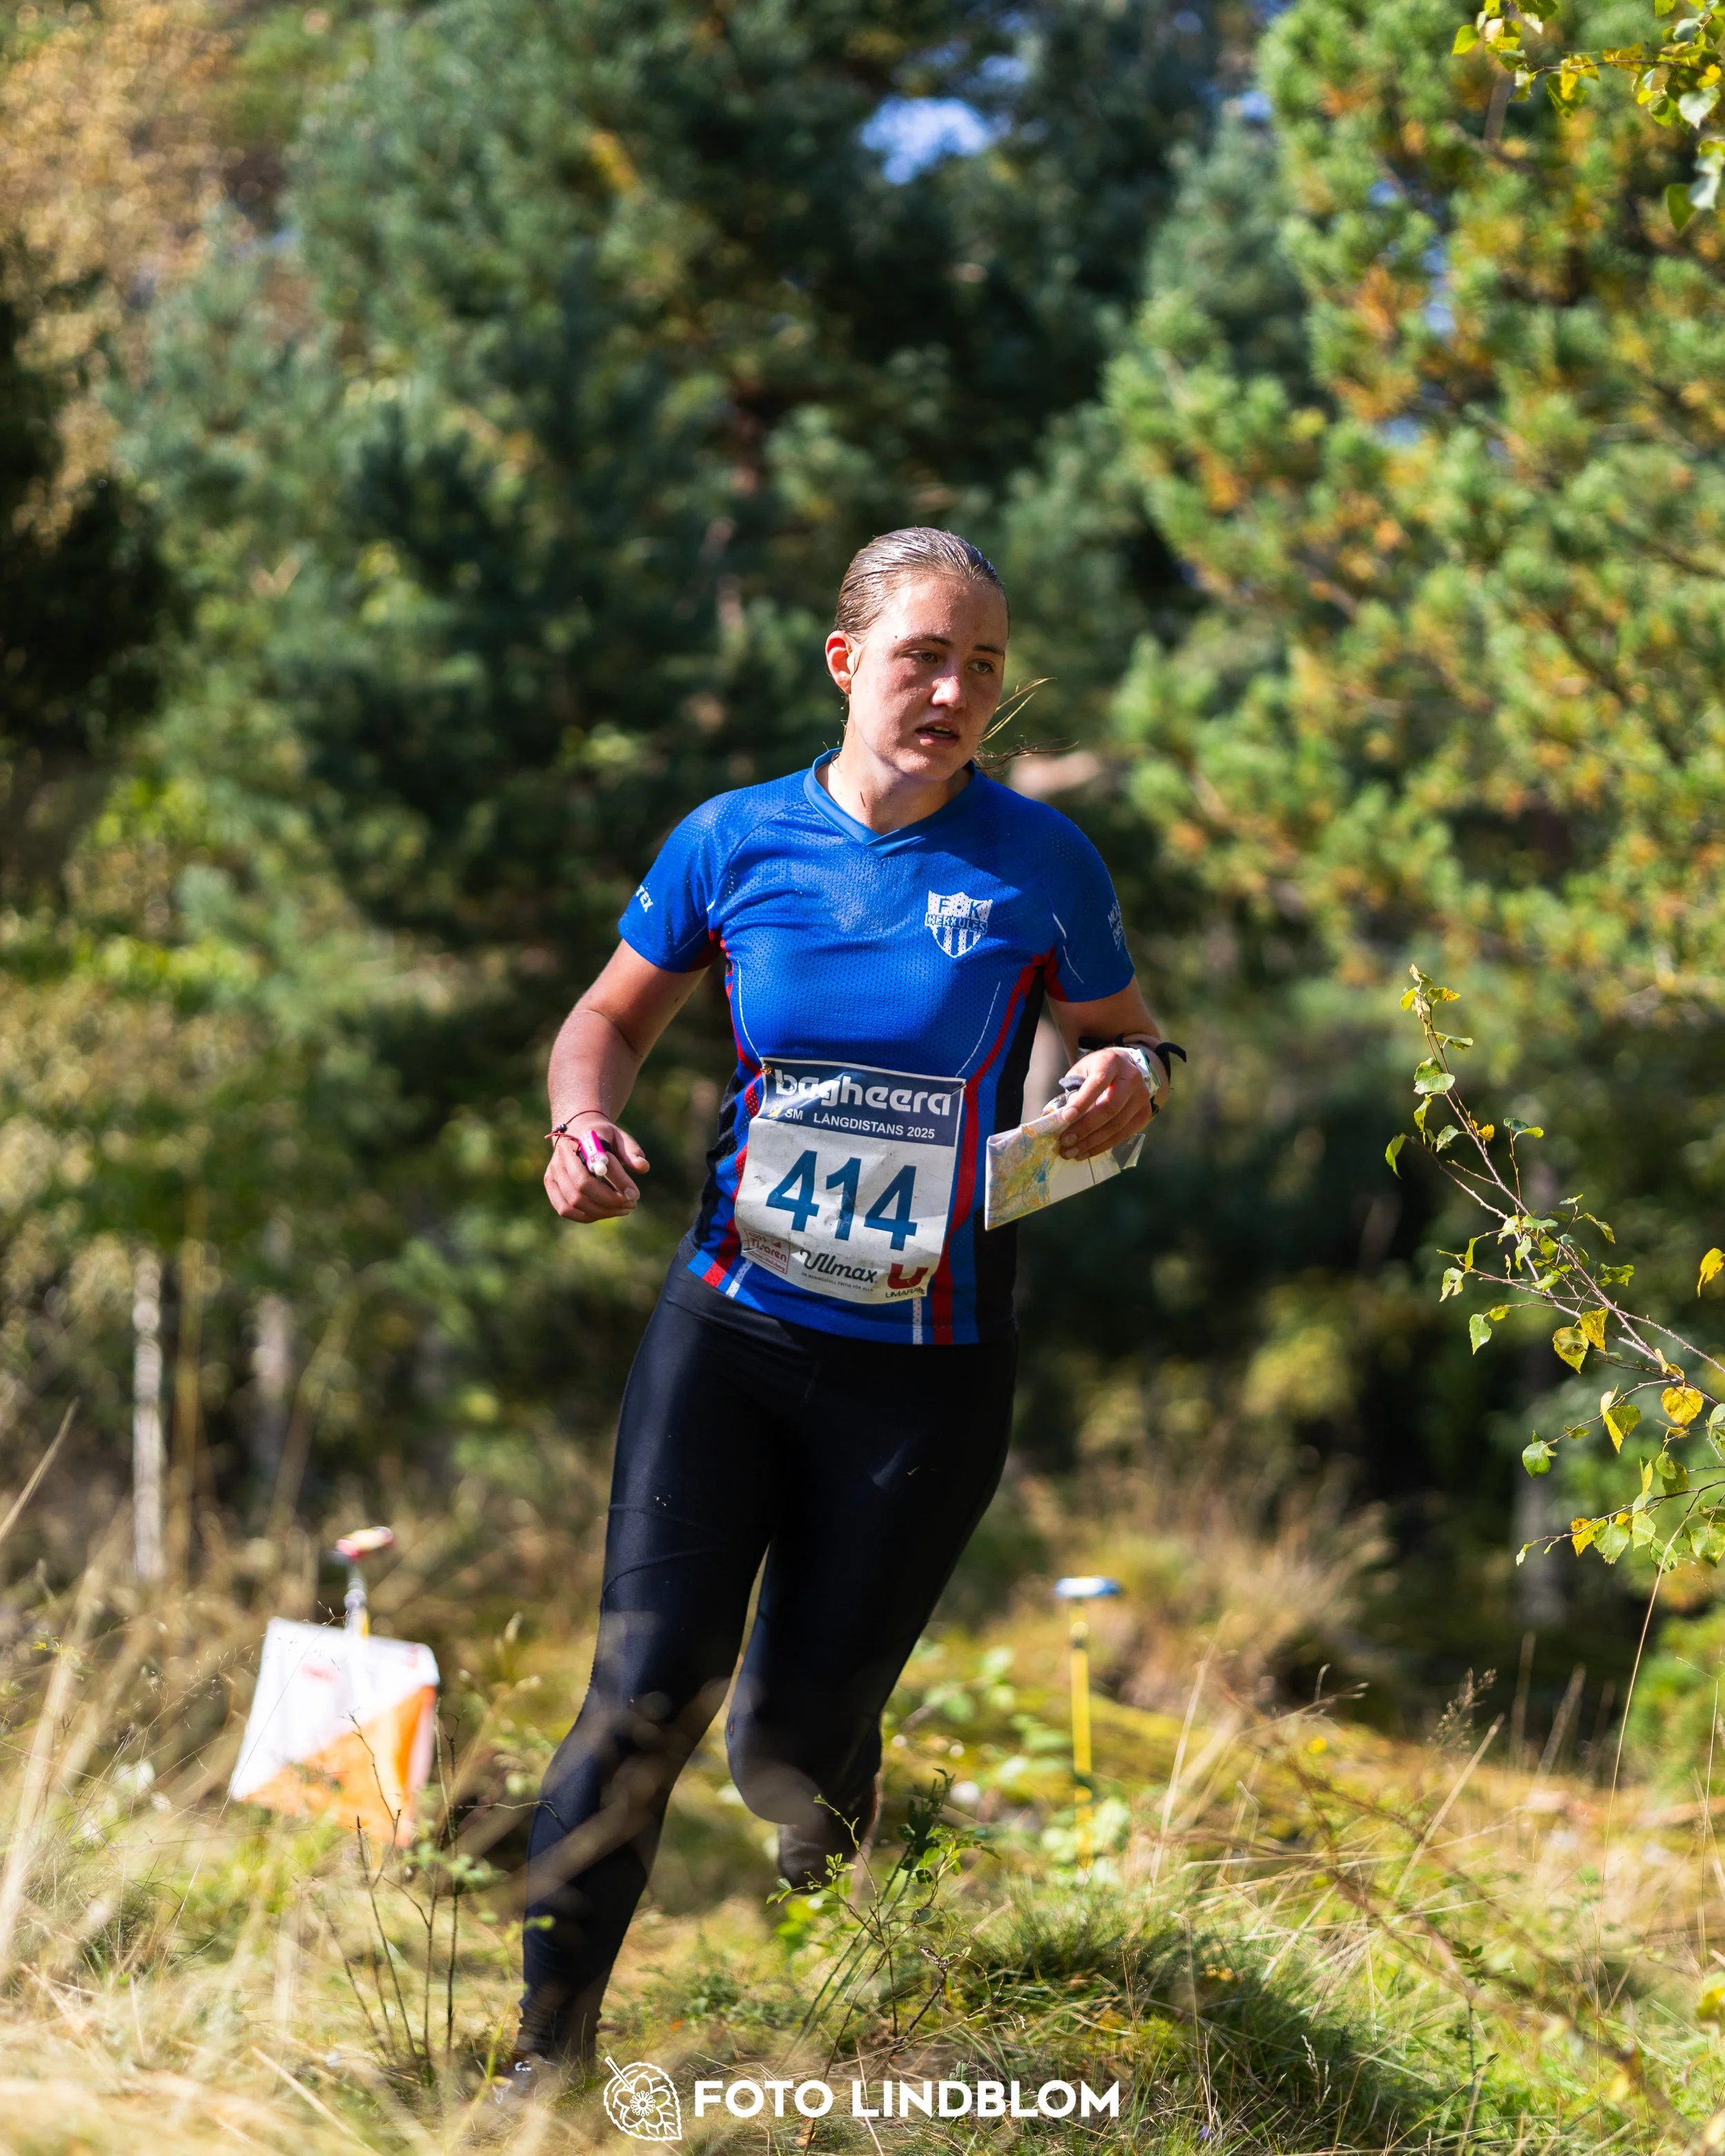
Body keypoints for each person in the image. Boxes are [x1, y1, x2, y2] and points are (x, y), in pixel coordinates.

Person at [517, 527, 1174, 2074]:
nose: (952, 690)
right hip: (728, 1330)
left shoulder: (1037, 863)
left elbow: (1137, 1043)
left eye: (982, 667)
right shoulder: (732, 840)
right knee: (641, 1701)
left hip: (925, 1369)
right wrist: (578, 1123)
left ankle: (844, 1909)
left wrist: (1122, 1078)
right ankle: (543, 2073)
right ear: (844, 663)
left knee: (785, 1751)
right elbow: (601, 1022)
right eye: (920, 657)